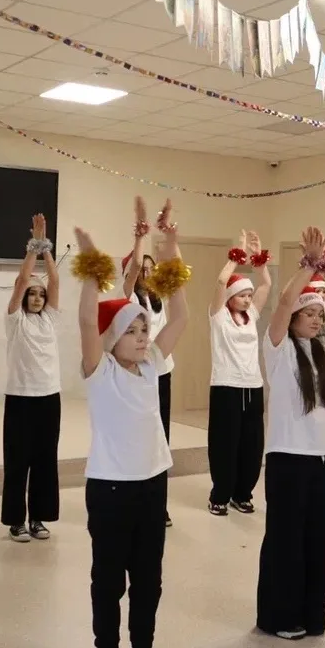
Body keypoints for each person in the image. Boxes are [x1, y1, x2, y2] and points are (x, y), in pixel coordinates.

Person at [74, 197, 188, 648]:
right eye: (133, 330)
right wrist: (91, 264)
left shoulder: (153, 366)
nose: (143, 336)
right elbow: (87, 320)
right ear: (112, 339)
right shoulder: (100, 372)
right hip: (111, 489)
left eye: (144, 328)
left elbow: (178, 317)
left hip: (152, 484)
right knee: (108, 581)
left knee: (148, 579)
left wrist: (171, 247)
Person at [256, 226, 325, 641]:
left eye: (319, 314)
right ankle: (279, 616)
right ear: (294, 318)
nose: (316, 319)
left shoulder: (324, 346)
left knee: (317, 537)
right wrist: (306, 266)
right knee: (287, 539)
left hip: (321, 456)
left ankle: (312, 613)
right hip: (288, 456)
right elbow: (282, 301)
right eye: (309, 313)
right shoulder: (278, 349)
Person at [2, 213, 61, 542]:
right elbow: (22, 280)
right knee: (18, 461)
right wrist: (33, 246)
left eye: (40, 294)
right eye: (32, 294)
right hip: (21, 398)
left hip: (49, 397)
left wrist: (46, 248)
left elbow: (55, 282)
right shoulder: (16, 319)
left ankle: (38, 517)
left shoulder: (50, 318)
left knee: (44, 460)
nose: (37, 297)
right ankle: (16, 520)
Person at [206, 230, 271, 517]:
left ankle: (242, 494)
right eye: (242, 295)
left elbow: (266, 284)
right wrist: (237, 254)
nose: (247, 300)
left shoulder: (252, 316)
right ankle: (219, 495)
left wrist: (258, 259)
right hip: (226, 386)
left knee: (252, 445)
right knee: (225, 444)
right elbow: (221, 281)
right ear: (230, 297)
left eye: (249, 295)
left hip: (253, 386)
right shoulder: (218, 316)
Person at [123, 202, 175, 528]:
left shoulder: (159, 301)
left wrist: (169, 236)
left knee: (161, 439)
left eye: (151, 269)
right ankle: (135, 501)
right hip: (137, 375)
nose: (148, 273)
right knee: (139, 435)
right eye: (143, 269)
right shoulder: (128, 297)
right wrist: (141, 238)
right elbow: (131, 273)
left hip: (162, 373)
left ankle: (159, 504)